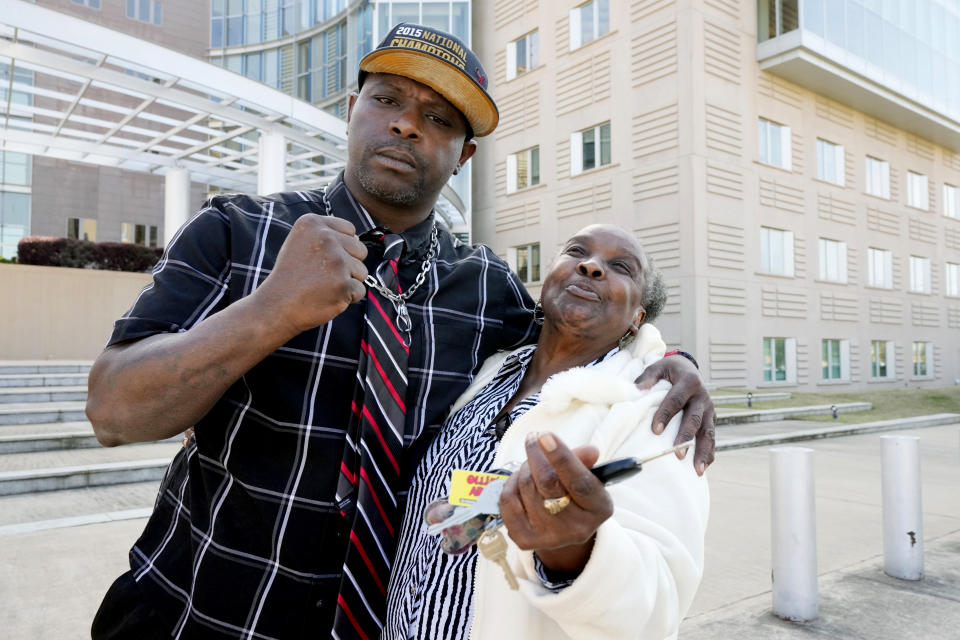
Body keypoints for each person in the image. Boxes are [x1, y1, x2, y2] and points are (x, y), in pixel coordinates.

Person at [86, 24, 715, 640]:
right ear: (354, 107)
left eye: (440, 119)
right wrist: (271, 309)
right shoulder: (237, 230)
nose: (408, 124)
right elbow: (114, 413)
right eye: (387, 99)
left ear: (464, 156)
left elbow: (580, 339)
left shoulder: (487, 286)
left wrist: (672, 361)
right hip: (196, 612)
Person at [384, 224, 709, 639]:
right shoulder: (486, 370)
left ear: (638, 317)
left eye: (621, 267)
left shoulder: (656, 411)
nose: (591, 266)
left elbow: (658, 605)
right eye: (577, 251)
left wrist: (575, 552)